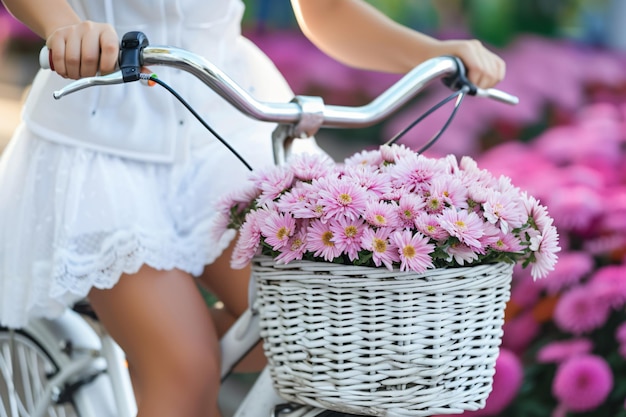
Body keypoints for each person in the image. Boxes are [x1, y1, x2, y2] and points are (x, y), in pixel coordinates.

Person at [0, 0, 505, 416]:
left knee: (327, 333)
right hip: (101, 140)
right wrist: (64, 25)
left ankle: (163, 341)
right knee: (184, 376)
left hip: (231, 125)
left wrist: (433, 53)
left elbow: (326, 9)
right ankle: (164, 350)